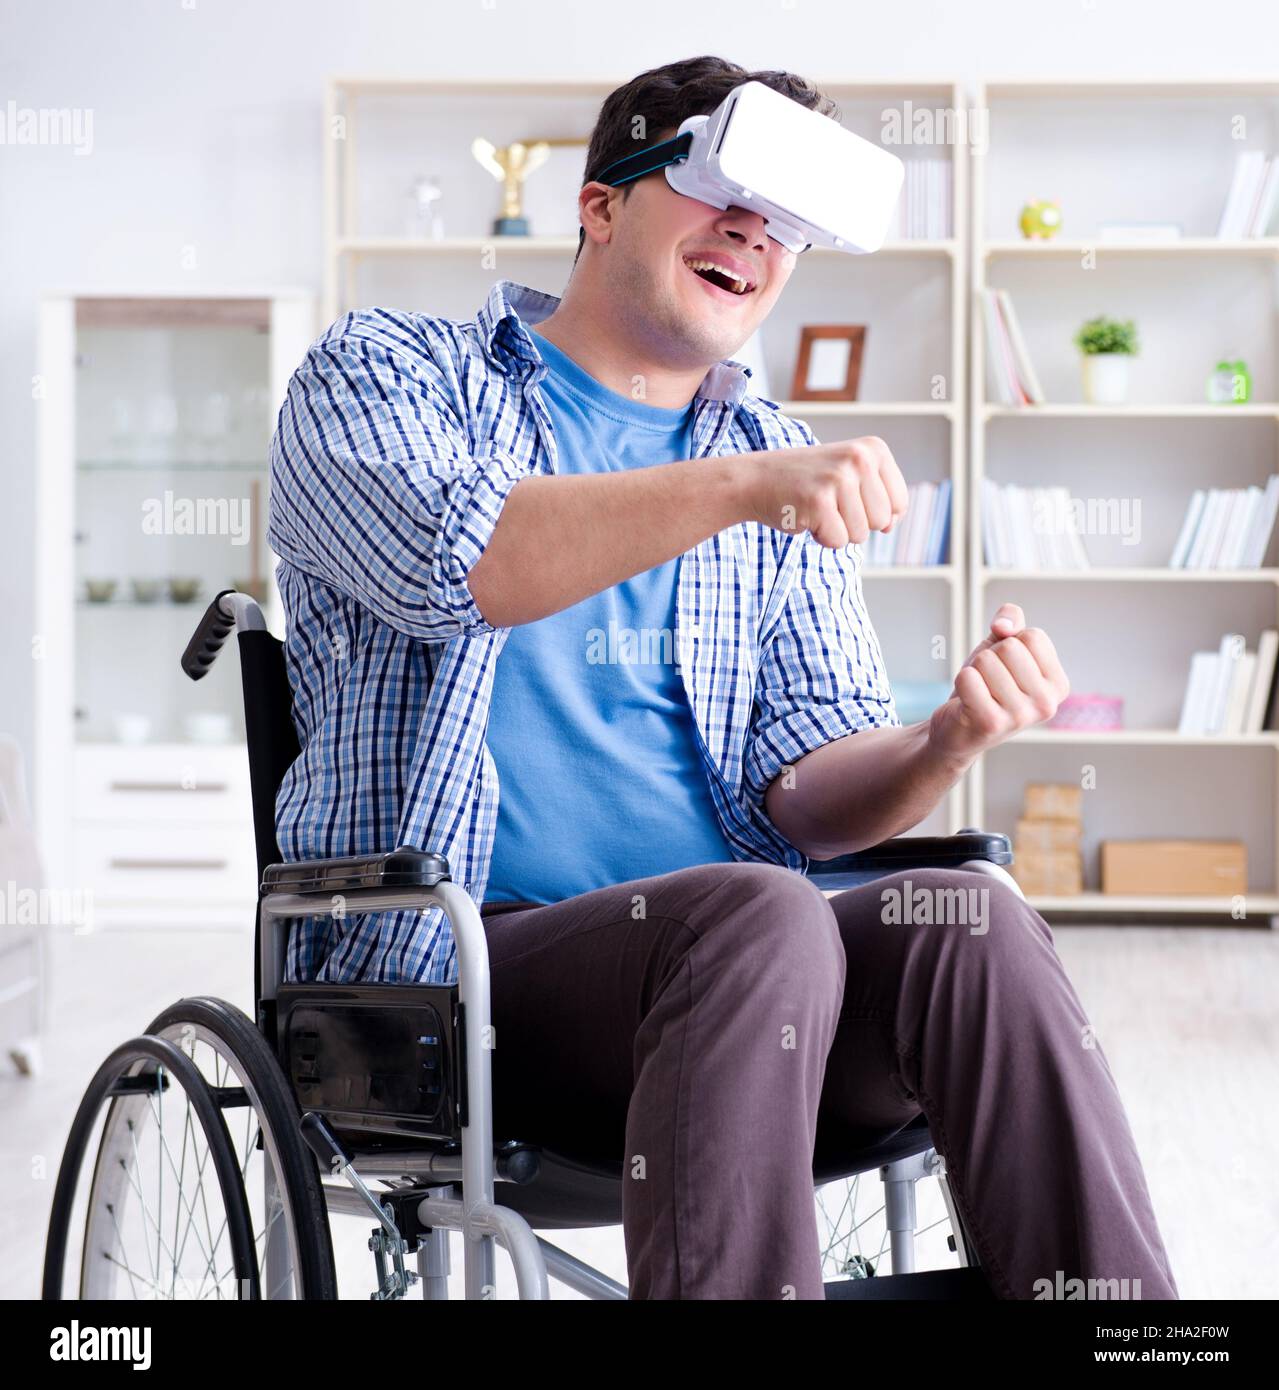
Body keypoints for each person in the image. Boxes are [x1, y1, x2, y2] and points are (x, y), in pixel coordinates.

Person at [267, 54, 1179, 1301]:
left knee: (970, 918)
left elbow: (808, 785)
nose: (753, 236)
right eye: (719, 193)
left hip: (762, 994)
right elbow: (459, 558)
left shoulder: (771, 450)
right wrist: (745, 492)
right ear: (599, 204)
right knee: (759, 910)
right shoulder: (389, 375)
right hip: (463, 987)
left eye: (786, 223)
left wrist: (942, 741)